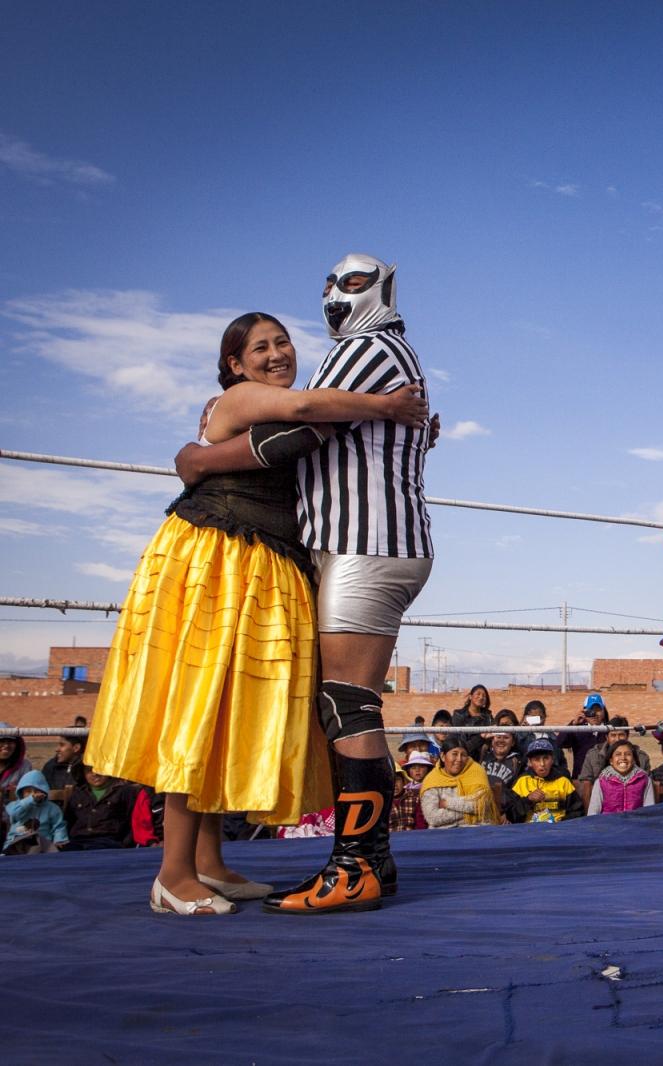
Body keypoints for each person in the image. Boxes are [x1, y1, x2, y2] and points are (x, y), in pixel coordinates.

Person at [93, 311, 426, 916]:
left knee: (226, 712)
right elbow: (303, 423)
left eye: (283, 342)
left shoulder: (286, 401)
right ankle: (172, 874)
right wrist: (387, 406)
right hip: (219, 557)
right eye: (259, 347)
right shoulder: (243, 399)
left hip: (260, 563)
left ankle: (208, 862)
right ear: (234, 365)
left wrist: (415, 430)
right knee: (200, 708)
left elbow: (317, 436)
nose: (276, 354)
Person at [176, 260, 437, 914]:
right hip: (357, 544)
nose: (330, 296)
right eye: (326, 286)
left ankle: (358, 869)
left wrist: (198, 457)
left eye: (347, 283)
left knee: (349, 705)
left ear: (382, 289)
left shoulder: (368, 348)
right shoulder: (373, 354)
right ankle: (363, 865)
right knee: (342, 703)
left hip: (366, 543)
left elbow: (303, 422)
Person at [421, 742, 500, 830]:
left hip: (478, 829)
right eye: (454, 754)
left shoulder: (477, 772)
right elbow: (433, 818)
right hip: (443, 834)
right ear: (443, 756)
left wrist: (447, 803)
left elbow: (481, 805)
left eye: (463, 755)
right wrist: (470, 812)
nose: (459, 759)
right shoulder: (432, 779)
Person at [61, 764, 139, 850]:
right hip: (78, 841)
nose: (94, 774)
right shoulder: (78, 793)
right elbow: (68, 821)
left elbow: (135, 820)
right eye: (89, 770)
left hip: (110, 842)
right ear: (83, 774)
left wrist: (125, 844)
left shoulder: (124, 791)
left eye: (99, 768)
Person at [577, 716, 650, 808]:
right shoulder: (593, 755)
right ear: (607, 737)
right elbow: (586, 785)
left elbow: (646, 785)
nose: (617, 739)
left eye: (621, 735)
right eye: (613, 735)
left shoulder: (641, 757)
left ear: (627, 736)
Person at [512, 739, 584, 822]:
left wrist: (561, 823)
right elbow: (512, 816)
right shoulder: (522, 782)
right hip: (530, 831)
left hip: (559, 830)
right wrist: (528, 800)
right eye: (537, 759)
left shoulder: (563, 782)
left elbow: (578, 812)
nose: (542, 764)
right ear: (529, 762)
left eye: (546, 758)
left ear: (552, 759)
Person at [3, 770, 67, 855]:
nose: (33, 794)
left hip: (42, 843)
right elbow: (14, 815)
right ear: (21, 793)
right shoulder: (15, 805)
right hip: (16, 842)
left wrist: (59, 839)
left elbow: (58, 826)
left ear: (44, 792)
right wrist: (30, 801)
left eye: (37, 791)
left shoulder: (52, 808)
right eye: (28, 791)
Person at [588, 741, 655, 815]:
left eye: (628, 754)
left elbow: (649, 810)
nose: (623, 757)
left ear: (633, 760)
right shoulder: (601, 781)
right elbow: (593, 813)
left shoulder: (644, 780)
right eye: (618, 754)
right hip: (607, 824)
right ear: (611, 761)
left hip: (636, 823)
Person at [564, 694, 610, 778]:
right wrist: (573, 723)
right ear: (584, 711)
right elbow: (561, 743)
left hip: (605, 779)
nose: (594, 713)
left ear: (604, 711)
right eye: (590, 710)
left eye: (598, 710)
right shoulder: (578, 729)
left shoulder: (609, 730)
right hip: (580, 779)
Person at [391, 751, 433, 833]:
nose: (394, 785)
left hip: (411, 837)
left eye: (397, 780)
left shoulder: (414, 797)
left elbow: (420, 823)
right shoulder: (383, 802)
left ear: (403, 781)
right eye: (389, 781)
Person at [452, 686, 495, 759]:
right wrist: (481, 737)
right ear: (470, 696)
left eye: (484, 696)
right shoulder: (458, 715)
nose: (481, 697)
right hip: (463, 757)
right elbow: (460, 744)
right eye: (478, 694)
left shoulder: (488, 717)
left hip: (483, 757)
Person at [40, 735, 85, 799]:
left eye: (62, 745)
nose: (57, 749)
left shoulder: (87, 769)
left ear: (76, 748)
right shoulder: (50, 766)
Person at [0, 725, 33, 803]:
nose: (6, 745)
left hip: (15, 812)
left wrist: (18, 791)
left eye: (10, 741)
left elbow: (28, 796)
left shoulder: (25, 766)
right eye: (1, 741)